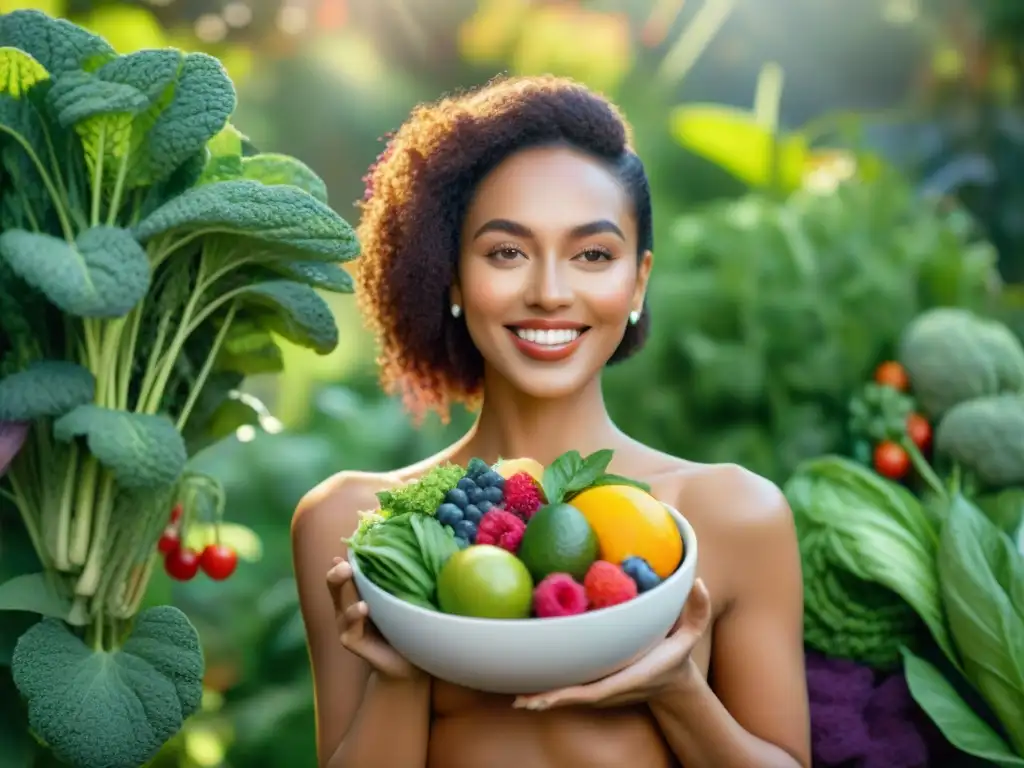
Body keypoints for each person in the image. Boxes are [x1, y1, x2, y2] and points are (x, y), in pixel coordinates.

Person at [291, 74, 811, 768]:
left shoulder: (732, 516)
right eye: (506, 252)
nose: (548, 292)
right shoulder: (354, 525)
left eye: (592, 255)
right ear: (451, 276)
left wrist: (677, 688)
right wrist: (405, 665)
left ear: (638, 280)